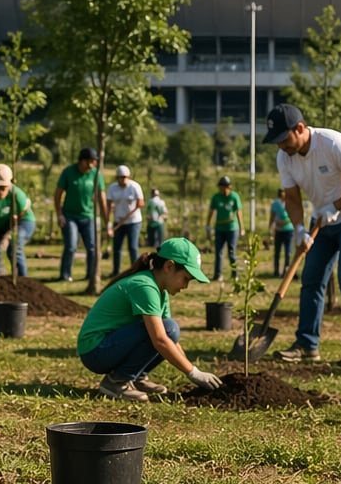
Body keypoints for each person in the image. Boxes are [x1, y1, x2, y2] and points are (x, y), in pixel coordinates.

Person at [265, 103, 341, 369]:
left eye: (284, 138)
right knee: (312, 278)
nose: (281, 146)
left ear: (301, 128)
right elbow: (292, 198)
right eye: (276, 141)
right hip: (321, 220)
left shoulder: (332, 142)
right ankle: (306, 344)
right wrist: (299, 228)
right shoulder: (285, 158)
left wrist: (335, 206)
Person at [76, 238, 224, 402]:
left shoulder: (161, 291)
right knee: (168, 330)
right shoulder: (144, 286)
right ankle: (116, 382)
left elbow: (170, 340)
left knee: (170, 331)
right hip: (96, 351)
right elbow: (160, 339)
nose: (186, 286)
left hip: (108, 346)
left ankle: (137, 377)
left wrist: (190, 368)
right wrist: (192, 372)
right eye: (186, 279)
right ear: (169, 266)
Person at [53, 148, 107, 284]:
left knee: (92, 247)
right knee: (71, 245)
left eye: (94, 161)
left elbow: (102, 197)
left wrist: (107, 220)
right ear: (82, 160)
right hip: (69, 216)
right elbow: (58, 194)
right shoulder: (68, 172)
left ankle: (91, 275)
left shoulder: (96, 174)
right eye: (90, 161)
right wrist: (59, 214)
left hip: (89, 216)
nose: (93, 164)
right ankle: (65, 275)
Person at [105, 165, 145, 275]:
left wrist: (131, 212)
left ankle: (135, 270)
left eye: (125, 177)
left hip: (134, 222)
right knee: (117, 248)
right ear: (117, 177)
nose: (123, 179)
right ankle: (115, 271)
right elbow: (108, 206)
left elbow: (141, 203)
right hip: (118, 222)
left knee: (132, 247)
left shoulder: (135, 187)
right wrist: (108, 224)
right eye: (120, 177)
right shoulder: (112, 188)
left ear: (128, 177)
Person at [205, 175, 242, 282]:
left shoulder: (234, 197)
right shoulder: (216, 197)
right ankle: (218, 275)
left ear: (228, 187)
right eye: (220, 187)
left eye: (224, 187)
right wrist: (208, 224)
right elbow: (211, 212)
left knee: (231, 252)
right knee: (219, 252)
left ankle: (235, 274)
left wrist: (241, 227)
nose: (222, 189)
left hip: (232, 229)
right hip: (219, 228)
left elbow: (239, 212)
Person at [269, 187, 294, 277]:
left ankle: (286, 271)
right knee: (277, 252)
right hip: (279, 230)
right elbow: (272, 216)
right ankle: (276, 271)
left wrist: (285, 222)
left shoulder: (290, 203)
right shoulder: (275, 204)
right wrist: (271, 227)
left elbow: (294, 215)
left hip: (289, 230)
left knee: (288, 252)